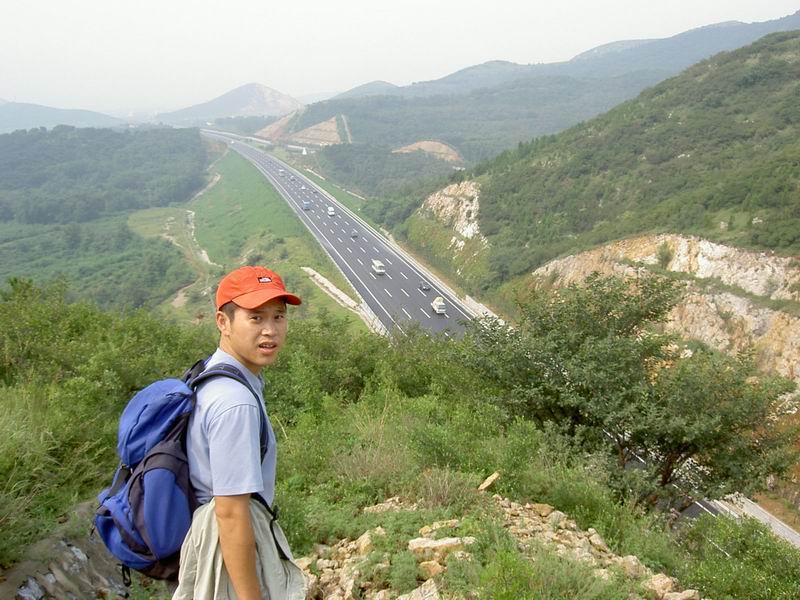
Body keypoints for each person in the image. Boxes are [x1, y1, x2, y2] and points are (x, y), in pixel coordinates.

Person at [173, 266, 307, 600]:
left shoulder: (212, 373)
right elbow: (231, 513)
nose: (270, 330)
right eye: (256, 318)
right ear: (223, 322)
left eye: (278, 317)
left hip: (212, 541)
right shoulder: (235, 402)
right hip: (226, 555)